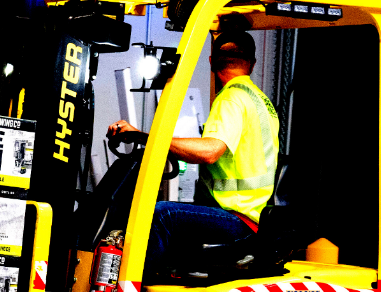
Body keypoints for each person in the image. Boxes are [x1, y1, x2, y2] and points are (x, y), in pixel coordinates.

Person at [108, 28, 279, 274]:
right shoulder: (260, 100)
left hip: (236, 219)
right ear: (252, 63)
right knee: (171, 215)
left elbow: (210, 151)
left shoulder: (231, 98)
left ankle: (133, 289)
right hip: (251, 217)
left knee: (160, 214)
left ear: (211, 61)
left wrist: (147, 137)